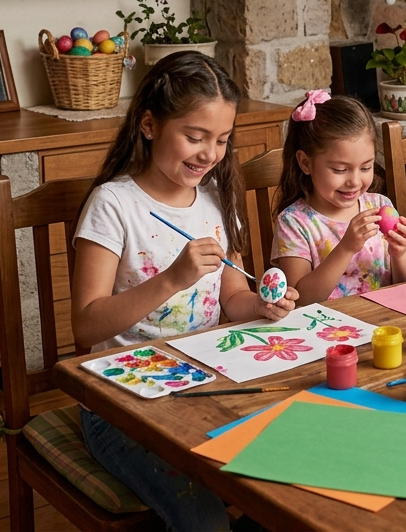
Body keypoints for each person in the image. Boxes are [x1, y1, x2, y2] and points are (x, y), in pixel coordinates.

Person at [71, 51, 298, 530]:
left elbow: (232, 294)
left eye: (221, 140)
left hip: (207, 381)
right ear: (150, 125)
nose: (209, 154)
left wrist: (260, 305)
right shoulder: (114, 205)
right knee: (202, 517)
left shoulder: (215, 200)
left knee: (289, 480)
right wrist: (173, 278)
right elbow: (86, 323)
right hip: (121, 402)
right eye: (194, 137)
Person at [272, 92, 406, 304]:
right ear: (306, 163)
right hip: (327, 330)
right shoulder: (294, 222)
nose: (354, 181)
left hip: (383, 324)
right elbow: (300, 298)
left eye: (366, 167)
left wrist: (400, 253)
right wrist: (346, 248)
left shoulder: (379, 206)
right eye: (340, 169)